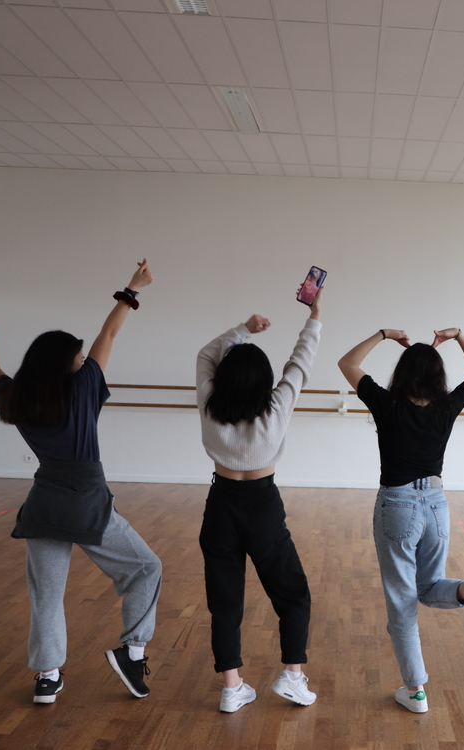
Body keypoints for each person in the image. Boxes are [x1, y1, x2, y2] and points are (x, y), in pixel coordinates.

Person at [0, 259, 162, 706]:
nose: (83, 359)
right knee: (146, 568)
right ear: (67, 365)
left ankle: (48, 678)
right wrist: (133, 287)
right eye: (77, 356)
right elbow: (108, 335)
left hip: (44, 507)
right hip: (88, 502)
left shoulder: (18, 398)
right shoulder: (84, 388)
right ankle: (133, 653)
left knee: (47, 596)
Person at [338, 326, 464, 714]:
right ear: (437, 376)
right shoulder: (447, 406)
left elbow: (347, 363)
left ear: (404, 372)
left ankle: (415, 691)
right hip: (436, 504)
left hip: (397, 505)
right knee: (428, 587)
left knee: (403, 603)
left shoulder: (387, 403)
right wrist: (459, 336)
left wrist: (383, 334)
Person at [195, 286, 324, 713]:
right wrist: (314, 315)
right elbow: (299, 363)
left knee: (225, 600)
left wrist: (243, 331)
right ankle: (291, 676)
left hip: (221, 505)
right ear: (265, 383)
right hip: (262, 506)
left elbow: (205, 356)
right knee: (294, 594)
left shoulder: (210, 405)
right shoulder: (276, 409)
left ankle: (232, 689)